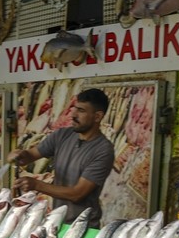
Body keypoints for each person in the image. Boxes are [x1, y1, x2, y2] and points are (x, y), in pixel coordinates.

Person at [7, 88, 115, 225]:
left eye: (81, 111)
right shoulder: (63, 135)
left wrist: (36, 184)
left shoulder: (103, 150)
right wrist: (19, 155)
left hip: (83, 226)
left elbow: (77, 194)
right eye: (75, 108)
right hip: (57, 221)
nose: (73, 115)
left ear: (97, 117)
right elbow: (30, 155)